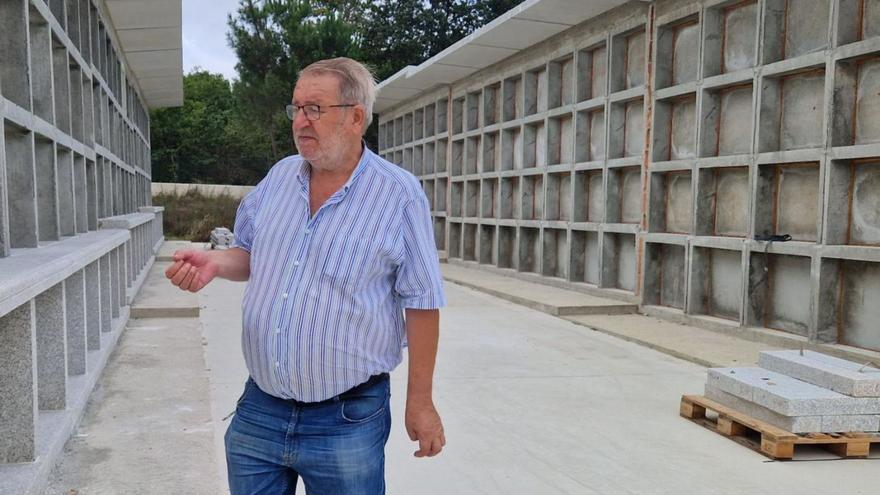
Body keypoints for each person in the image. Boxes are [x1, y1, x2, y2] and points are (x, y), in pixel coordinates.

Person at [164, 57, 446, 495]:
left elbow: (422, 299)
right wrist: (217, 264)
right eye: (296, 108)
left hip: (347, 418)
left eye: (314, 108)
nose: (300, 121)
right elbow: (252, 255)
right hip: (260, 408)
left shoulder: (398, 194)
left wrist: (420, 401)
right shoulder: (278, 178)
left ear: (356, 117)